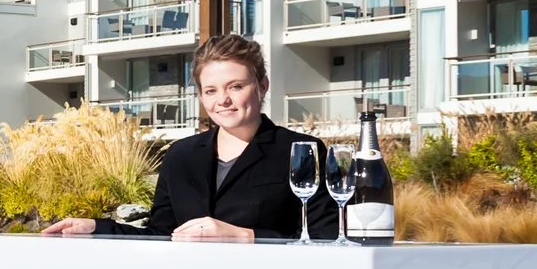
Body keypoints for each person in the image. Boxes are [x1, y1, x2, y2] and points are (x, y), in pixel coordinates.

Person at [41, 33, 337, 242]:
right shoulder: (181, 155)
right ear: (201, 96)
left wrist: (245, 236)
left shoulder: (301, 151)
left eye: (235, 86)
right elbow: (161, 234)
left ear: (262, 86)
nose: (223, 100)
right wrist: (96, 228)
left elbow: (325, 236)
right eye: (211, 90)